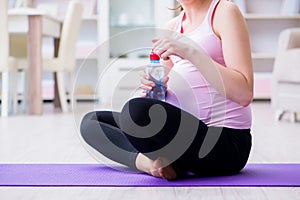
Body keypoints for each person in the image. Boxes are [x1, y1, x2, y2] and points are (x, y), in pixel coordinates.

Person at [80, 0, 253, 180]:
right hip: (181, 138)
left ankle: (155, 160)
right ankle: (150, 164)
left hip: (223, 142)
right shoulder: (172, 27)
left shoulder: (224, 12)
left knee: (135, 111)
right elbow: (161, 95)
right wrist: (153, 88)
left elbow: (244, 94)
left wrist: (189, 51)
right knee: (92, 122)